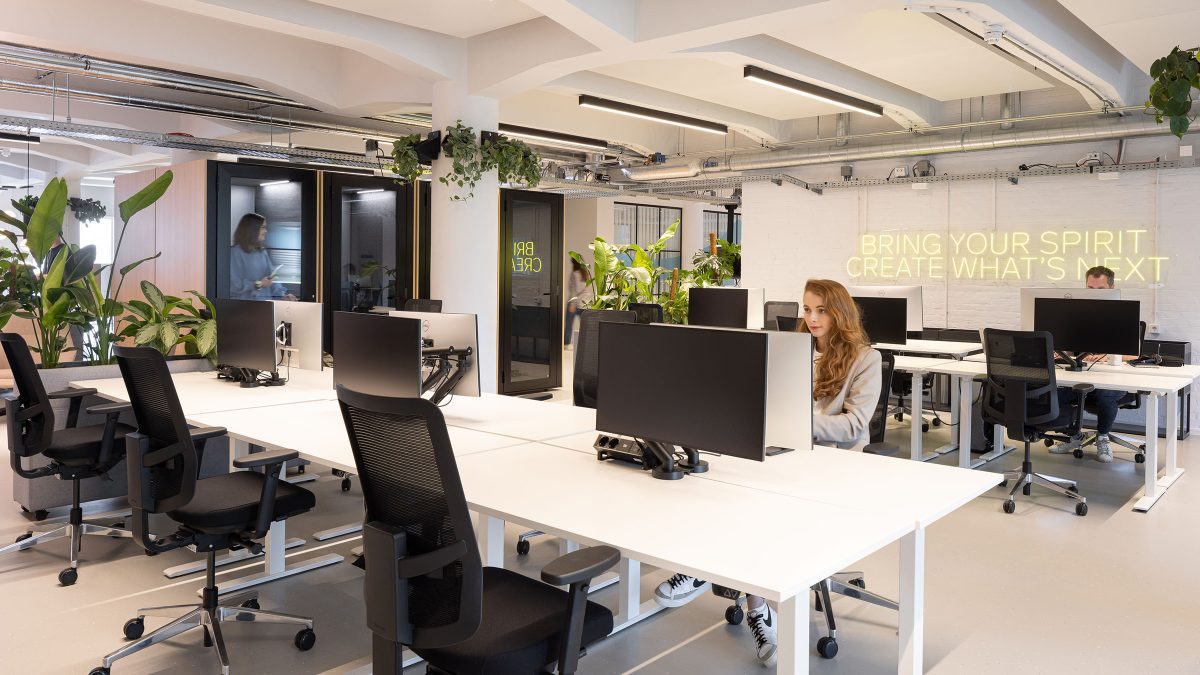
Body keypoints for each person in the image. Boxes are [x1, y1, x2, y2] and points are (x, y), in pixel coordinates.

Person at [652, 278, 882, 667]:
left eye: (821, 310)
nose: (811, 318)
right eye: (806, 309)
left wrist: (794, 423)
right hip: (783, 450)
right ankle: (743, 596)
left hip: (832, 464)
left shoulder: (865, 359)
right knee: (717, 480)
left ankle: (710, 575)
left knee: (752, 501)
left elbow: (854, 426)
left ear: (840, 312)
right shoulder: (794, 348)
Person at [1046, 265, 1132, 463]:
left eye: (1100, 290)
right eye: (1090, 289)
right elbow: (1068, 347)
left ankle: (1102, 437)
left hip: (1110, 379)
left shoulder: (1123, 314)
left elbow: (1132, 354)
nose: (1095, 295)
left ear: (1112, 288)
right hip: (1081, 375)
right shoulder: (1077, 314)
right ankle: (1074, 436)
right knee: (1055, 393)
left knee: (1106, 393)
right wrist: (1059, 351)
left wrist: (1104, 357)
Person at [230, 213, 296, 301]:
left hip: (265, 305)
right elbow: (234, 285)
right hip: (244, 306)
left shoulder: (262, 252)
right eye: (263, 227)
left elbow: (271, 279)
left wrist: (283, 295)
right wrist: (259, 284)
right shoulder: (235, 253)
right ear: (252, 229)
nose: (266, 231)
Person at [563, 259, 591, 349]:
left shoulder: (574, 274)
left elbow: (573, 290)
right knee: (584, 327)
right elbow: (586, 291)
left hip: (574, 303)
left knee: (569, 325)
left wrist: (573, 304)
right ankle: (585, 344)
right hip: (584, 304)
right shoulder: (586, 274)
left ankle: (566, 344)